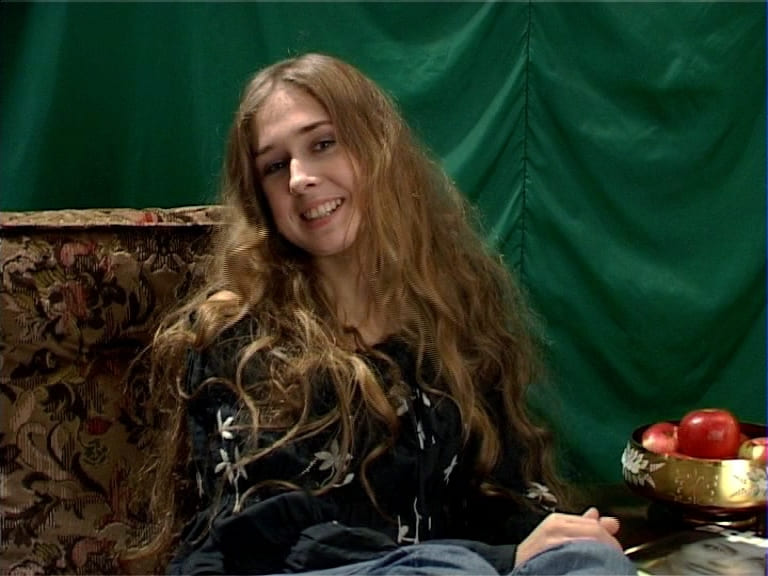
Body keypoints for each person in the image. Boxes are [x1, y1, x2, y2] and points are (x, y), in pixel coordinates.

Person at [134, 53, 636, 575]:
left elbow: (497, 493)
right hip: (291, 568)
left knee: (590, 559)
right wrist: (490, 560)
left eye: (322, 144)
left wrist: (555, 535)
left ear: (377, 149)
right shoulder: (238, 335)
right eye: (275, 166)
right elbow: (269, 532)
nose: (300, 178)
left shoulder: (450, 311)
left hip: (454, 567)